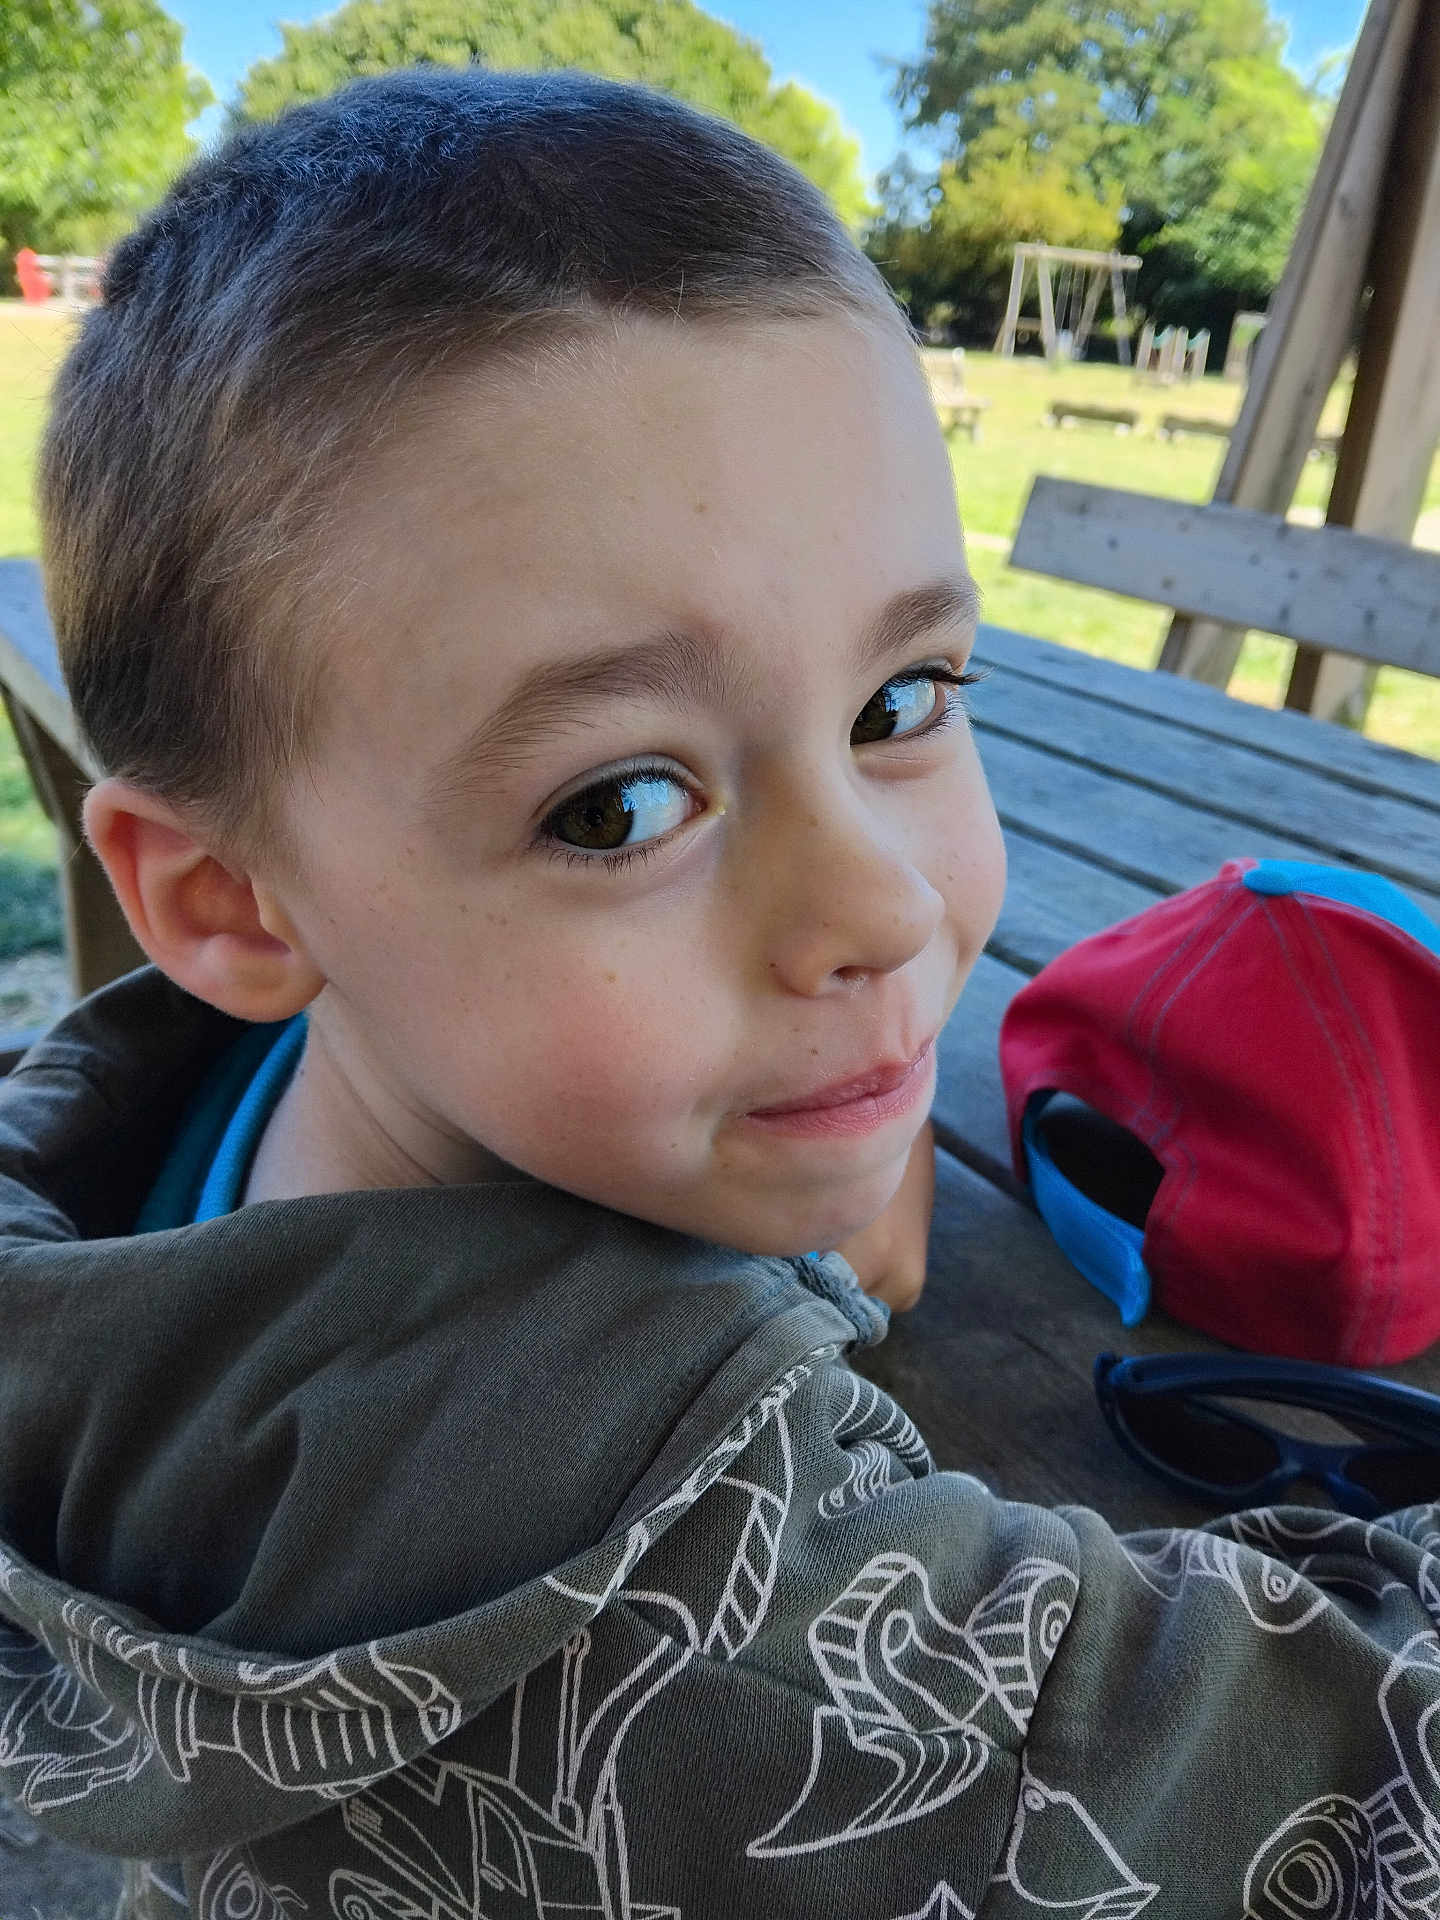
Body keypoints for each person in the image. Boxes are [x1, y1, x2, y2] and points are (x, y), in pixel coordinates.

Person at [1, 65, 1437, 1919]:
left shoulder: (160, 1175)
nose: (885, 903)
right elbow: (1346, 1777)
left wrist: (800, 1192)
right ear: (229, 899)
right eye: (619, 805)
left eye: (903, 703)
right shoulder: (724, 1619)